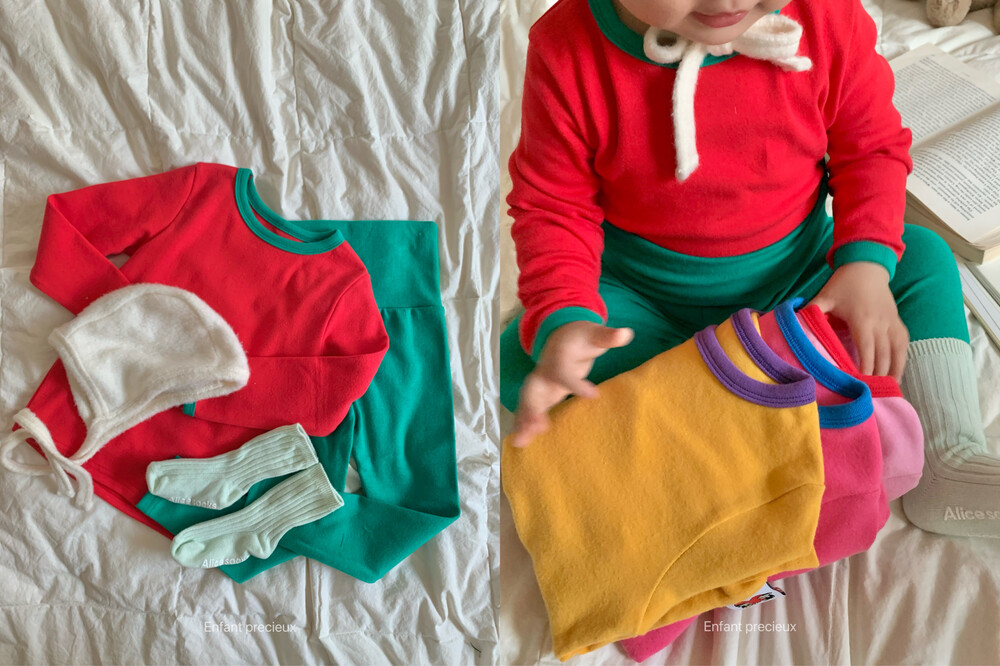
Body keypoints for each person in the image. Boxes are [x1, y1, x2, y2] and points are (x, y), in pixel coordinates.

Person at [500, 0, 999, 538]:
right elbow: (554, 207)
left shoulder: (827, 16)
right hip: (646, 299)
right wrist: (567, 317)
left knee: (921, 255)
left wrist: (865, 267)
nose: (726, 1)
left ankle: (946, 457)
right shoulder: (566, 49)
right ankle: (751, 458)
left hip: (800, 279)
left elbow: (871, 150)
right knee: (527, 355)